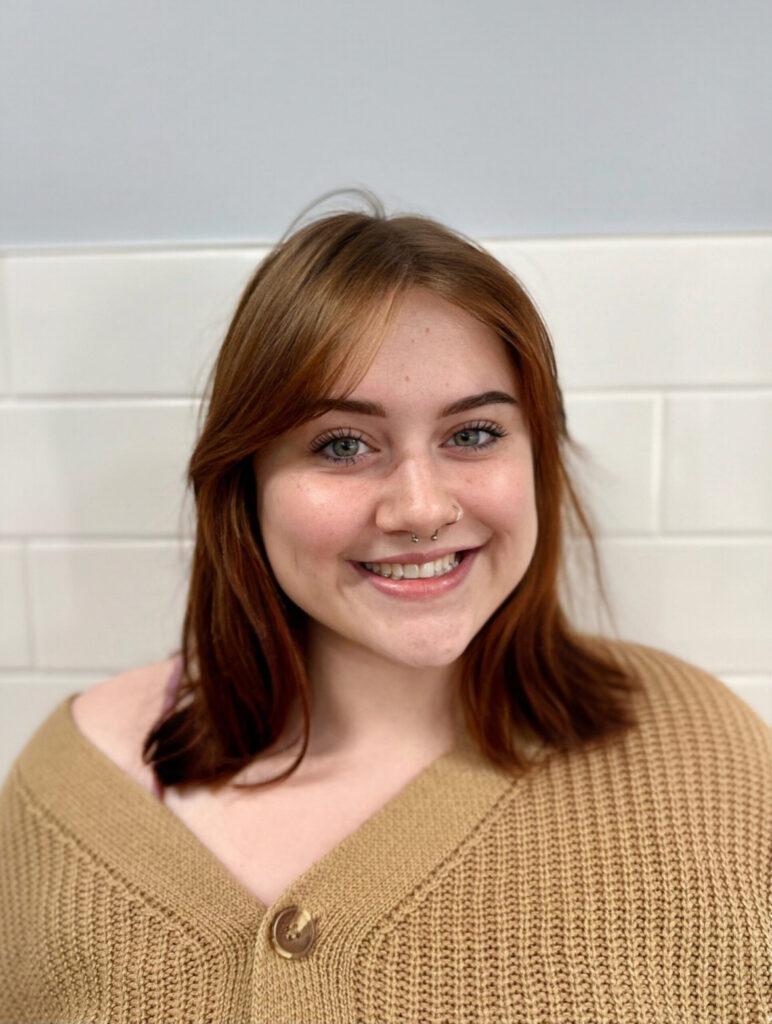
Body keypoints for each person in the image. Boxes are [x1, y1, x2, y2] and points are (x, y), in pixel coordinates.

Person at [1, 189, 770, 1024]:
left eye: (472, 434)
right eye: (342, 444)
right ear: (247, 482)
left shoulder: (709, 759)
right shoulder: (68, 798)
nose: (420, 508)